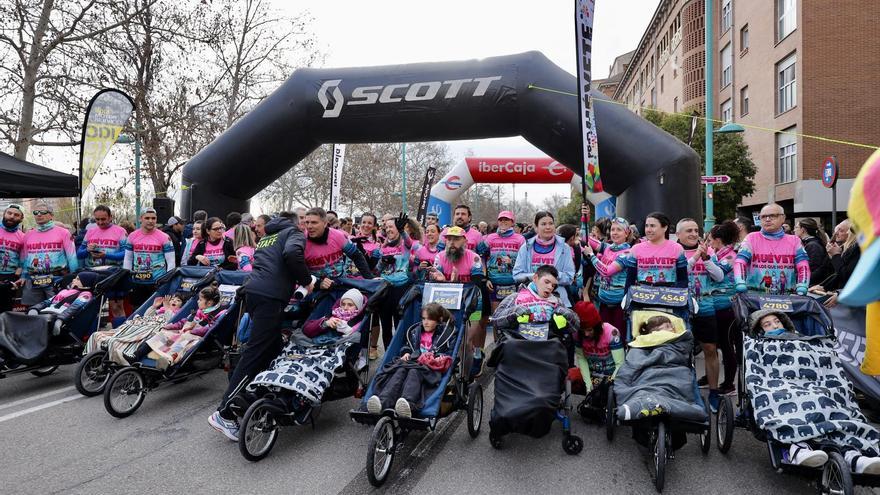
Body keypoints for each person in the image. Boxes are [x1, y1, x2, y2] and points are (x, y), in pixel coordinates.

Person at [210, 211, 313, 441]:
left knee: (274, 348)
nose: (306, 226)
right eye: (304, 222)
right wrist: (306, 280)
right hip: (270, 296)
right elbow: (291, 254)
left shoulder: (268, 236)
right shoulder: (293, 233)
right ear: (296, 223)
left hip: (254, 292)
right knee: (256, 353)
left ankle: (258, 397)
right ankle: (224, 412)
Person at [366, 302, 456, 418]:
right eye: (423, 319)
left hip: (429, 369)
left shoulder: (446, 334)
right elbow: (407, 345)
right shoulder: (415, 331)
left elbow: (450, 353)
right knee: (400, 371)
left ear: (439, 319)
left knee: (414, 372)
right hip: (413, 362)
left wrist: (439, 357)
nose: (425, 322)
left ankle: (407, 403)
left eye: (430, 319)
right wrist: (406, 352)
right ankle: (382, 402)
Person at [677, 218, 725, 412]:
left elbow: (719, 277)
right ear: (678, 234)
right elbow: (679, 274)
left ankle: (713, 392)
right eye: (688, 230)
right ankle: (684, 391)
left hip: (705, 305)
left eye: (696, 230)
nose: (694, 234)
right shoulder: (675, 250)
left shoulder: (709, 251)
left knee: (710, 349)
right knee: (681, 351)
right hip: (681, 307)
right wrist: (696, 256)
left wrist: (705, 259)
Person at [431, 226, 486, 375]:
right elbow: (434, 282)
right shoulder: (440, 257)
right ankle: (447, 371)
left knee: (465, 342)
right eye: (449, 239)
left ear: (465, 241)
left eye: (456, 239)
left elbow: (477, 283)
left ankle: (466, 377)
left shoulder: (474, 257)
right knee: (445, 340)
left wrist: (455, 284)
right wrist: (442, 280)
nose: (452, 243)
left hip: (474, 304)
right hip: (448, 303)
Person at [590, 212, 688, 294]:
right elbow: (630, 280)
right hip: (642, 302)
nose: (648, 230)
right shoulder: (636, 249)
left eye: (652, 226)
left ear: (665, 228)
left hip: (669, 302)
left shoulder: (677, 248)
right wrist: (627, 300)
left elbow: (683, 279)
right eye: (646, 226)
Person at [129, 284, 226, 363]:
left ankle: (167, 360)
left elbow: (208, 329)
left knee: (182, 340)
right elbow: (184, 322)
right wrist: (170, 326)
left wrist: (192, 331)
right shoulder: (200, 311)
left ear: (209, 303)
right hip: (185, 332)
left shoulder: (218, 313)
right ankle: (136, 355)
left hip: (196, 337)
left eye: (200, 300)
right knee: (162, 333)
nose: (198, 301)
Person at [735, 203, 810, 295]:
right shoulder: (751, 238)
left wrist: (803, 285)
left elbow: (803, 266)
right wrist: (740, 282)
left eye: (772, 216)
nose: (767, 219)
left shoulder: (794, 241)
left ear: (783, 218)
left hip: (786, 298)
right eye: (763, 217)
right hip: (755, 297)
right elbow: (740, 262)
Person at [19, 202, 78, 306]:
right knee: (33, 312)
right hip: (33, 280)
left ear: (51, 215)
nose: (39, 215)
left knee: (56, 310)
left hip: (56, 279)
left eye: (43, 212)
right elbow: (25, 257)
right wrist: (23, 275)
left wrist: (75, 277)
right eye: (36, 212)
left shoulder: (63, 232)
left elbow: (72, 256)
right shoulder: (28, 234)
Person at [370, 214, 414, 354]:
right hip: (385, 287)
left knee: (399, 324)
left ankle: (401, 354)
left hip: (401, 287)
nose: (388, 229)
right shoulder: (382, 246)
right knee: (386, 324)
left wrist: (402, 231)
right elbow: (377, 270)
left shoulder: (404, 244)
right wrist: (383, 262)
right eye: (386, 227)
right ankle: (388, 355)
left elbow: (410, 243)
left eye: (391, 226)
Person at [512, 211, 576, 306]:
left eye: (551, 223)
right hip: (530, 301)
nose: (548, 227)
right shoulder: (526, 247)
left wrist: (551, 278)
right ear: (536, 227)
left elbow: (569, 277)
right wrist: (537, 277)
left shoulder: (564, 248)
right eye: (543, 224)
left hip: (558, 301)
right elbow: (517, 275)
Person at [582, 214, 632, 333]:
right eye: (613, 229)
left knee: (617, 336)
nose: (614, 233)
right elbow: (584, 239)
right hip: (603, 301)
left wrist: (591, 255)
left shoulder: (627, 253)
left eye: (619, 230)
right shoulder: (608, 247)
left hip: (619, 304)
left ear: (626, 233)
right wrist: (585, 219)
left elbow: (607, 271)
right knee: (603, 334)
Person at [708, 220, 740, 395]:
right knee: (717, 345)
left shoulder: (730, 256)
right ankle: (711, 377)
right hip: (716, 305)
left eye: (711, 240)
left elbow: (718, 276)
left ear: (718, 240)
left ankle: (729, 384)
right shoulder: (719, 254)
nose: (709, 244)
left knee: (727, 346)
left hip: (727, 306)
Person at [78, 205, 128, 319]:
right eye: (97, 219)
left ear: (110, 217)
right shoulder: (90, 232)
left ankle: (119, 335)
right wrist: (87, 250)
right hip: (93, 273)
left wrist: (106, 255)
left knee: (116, 307)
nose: (100, 222)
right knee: (91, 309)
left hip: (113, 274)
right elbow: (79, 254)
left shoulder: (120, 231)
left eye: (103, 219)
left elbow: (126, 254)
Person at [302, 207, 373, 287]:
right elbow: (299, 272)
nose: (309, 226)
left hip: (341, 283)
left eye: (314, 222)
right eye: (307, 222)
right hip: (315, 288)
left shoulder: (337, 236)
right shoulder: (301, 241)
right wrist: (318, 284)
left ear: (325, 223)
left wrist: (370, 280)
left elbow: (357, 256)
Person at [123, 208, 176, 308]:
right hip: (137, 281)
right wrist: (127, 277)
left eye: (153, 218)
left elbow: (171, 261)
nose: (150, 221)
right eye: (147, 218)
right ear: (140, 219)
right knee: (137, 311)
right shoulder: (132, 236)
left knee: (157, 312)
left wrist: (167, 280)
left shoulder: (164, 237)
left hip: (157, 282)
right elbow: (128, 258)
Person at [569, 300, 623, 394]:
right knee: (570, 376)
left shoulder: (612, 333)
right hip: (591, 374)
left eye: (589, 330)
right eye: (583, 330)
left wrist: (610, 383)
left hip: (611, 375)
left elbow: (620, 364)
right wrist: (588, 386)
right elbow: (581, 359)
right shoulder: (577, 334)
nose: (586, 334)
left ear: (597, 326)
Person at [481, 211, 526, 304]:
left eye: (506, 219)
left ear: (512, 222)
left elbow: (525, 260)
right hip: (494, 281)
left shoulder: (520, 239)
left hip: (513, 281)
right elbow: (482, 258)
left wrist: (511, 261)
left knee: (512, 312)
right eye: (501, 220)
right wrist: (486, 279)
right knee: (495, 314)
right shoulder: (490, 238)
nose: (503, 222)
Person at [28, 271, 98, 324]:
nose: (73, 280)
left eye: (77, 279)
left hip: (58, 316)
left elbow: (75, 307)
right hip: (45, 312)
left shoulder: (85, 294)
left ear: (85, 283)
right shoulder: (64, 291)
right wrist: (35, 308)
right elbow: (48, 301)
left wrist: (61, 319)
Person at [0, 204, 25, 313]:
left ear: (21, 218)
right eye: (9, 213)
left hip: (9, 276)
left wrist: (21, 271)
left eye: (16, 215)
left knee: (5, 309)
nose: (11, 216)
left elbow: (24, 258)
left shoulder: (23, 237)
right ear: (4, 214)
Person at [794, 218, 830, 285]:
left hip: (809, 284)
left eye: (796, 227)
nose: (794, 230)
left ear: (803, 230)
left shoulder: (813, 245)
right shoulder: (808, 243)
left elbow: (813, 268)